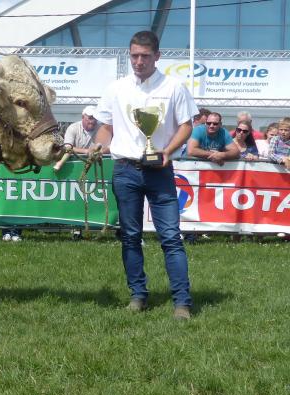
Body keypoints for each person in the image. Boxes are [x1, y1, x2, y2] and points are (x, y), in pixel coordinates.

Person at [94, 30, 198, 320]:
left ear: (157, 56)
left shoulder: (174, 87)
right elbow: (105, 127)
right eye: (134, 55)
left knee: (171, 237)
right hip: (125, 170)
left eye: (144, 56)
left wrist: (168, 151)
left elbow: (186, 126)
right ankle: (137, 295)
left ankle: (182, 302)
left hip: (160, 171)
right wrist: (100, 146)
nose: (138, 61)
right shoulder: (116, 88)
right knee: (129, 236)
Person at [59, 105, 102, 239]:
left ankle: (102, 226)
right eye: (89, 118)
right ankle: (76, 229)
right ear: (83, 117)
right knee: (76, 198)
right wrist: (86, 151)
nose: (92, 121)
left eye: (94, 118)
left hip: (94, 168)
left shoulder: (101, 129)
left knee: (95, 199)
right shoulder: (73, 128)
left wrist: (99, 152)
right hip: (76, 168)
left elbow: (107, 146)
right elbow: (67, 147)